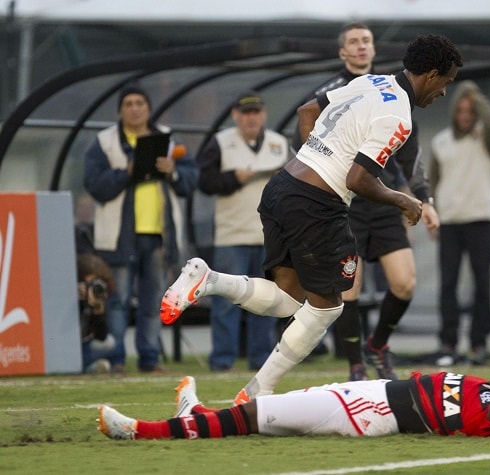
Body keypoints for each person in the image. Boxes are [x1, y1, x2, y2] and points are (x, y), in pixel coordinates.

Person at [160, 35, 463, 405]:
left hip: (282, 186)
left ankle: (208, 279)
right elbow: (358, 179)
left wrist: (317, 161)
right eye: (446, 83)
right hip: (315, 203)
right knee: (328, 306)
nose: (444, 92)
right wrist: (404, 200)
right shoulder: (398, 116)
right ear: (431, 75)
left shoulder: (372, 81)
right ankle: (258, 391)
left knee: (290, 300)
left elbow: (306, 111)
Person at [97, 323, 490, 440]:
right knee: (258, 418)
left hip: (370, 414)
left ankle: (141, 430)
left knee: (253, 416)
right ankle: (193, 415)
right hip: (371, 397)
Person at [296, 23, 439, 381]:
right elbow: (305, 125)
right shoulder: (333, 90)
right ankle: (355, 364)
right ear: (342, 52)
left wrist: (425, 199)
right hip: (347, 201)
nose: (361, 47)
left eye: (366, 41)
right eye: (353, 42)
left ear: (374, 49)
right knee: (351, 286)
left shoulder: (393, 90)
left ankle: (378, 344)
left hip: (384, 198)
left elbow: (411, 154)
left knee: (404, 283)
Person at [83, 83, 198, 373]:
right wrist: (127, 173)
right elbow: (94, 184)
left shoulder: (168, 139)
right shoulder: (104, 141)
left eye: (140, 103)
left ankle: (149, 359)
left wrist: (173, 172)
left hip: (160, 235)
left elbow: (191, 178)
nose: (135, 108)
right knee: (118, 299)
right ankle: (116, 359)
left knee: (154, 302)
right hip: (119, 236)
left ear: (148, 108)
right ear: (120, 111)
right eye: (129, 103)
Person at [196, 91, 290, 371]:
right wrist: (232, 178)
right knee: (226, 303)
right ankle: (223, 361)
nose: (251, 118)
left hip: (270, 236)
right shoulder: (220, 142)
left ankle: (261, 360)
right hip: (232, 235)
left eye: (256, 112)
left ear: (264, 114)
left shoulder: (279, 143)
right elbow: (204, 181)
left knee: (267, 301)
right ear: (235, 115)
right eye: (246, 113)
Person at [428, 80, 490, 366]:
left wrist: (473, 92)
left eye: (470, 110)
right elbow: (433, 182)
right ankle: (448, 342)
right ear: (454, 112)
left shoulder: (486, 137)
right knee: (448, 285)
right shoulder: (440, 142)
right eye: (461, 109)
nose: (466, 115)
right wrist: (432, 215)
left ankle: (479, 343)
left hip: (481, 219)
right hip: (450, 222)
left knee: (483, 283)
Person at [77, 253, 116, 374]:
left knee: (109, 343)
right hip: (67, 344)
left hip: (85, 344)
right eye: (88, 284)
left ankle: (85, 367)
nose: (92, 288)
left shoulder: (99, 296)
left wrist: (98, 309)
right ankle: (86, 367)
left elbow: (101, 337)